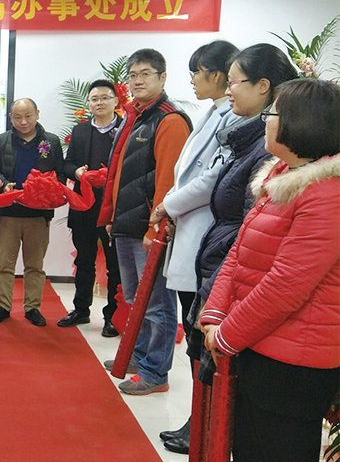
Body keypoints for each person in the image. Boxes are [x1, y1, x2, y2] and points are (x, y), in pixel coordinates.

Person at [159, 44, 298, 453]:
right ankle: (201, 426)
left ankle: (205, 429)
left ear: (264, 87)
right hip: (218, 259)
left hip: (231, 274)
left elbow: (249, 233)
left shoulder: (269, 155)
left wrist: (169, 204)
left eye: (235, 81)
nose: (229, 89)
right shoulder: (242, 133)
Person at [200, 78, 339, 462]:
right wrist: (215, 312)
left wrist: (227, 334)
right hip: (258, 345)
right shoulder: (283, 176)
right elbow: (239, 253)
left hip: (293, 364)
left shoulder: (326, 193)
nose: (265, 120)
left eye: (272, 113)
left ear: (302, 122)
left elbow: (286, 286)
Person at [145, 41, 241, 452]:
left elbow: (211, 179)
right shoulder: (214, 113)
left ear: (216, 75)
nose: (193, 81)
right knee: (194, 328)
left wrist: (168, 203)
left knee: (201, 333)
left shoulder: (232, 119)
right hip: (190, 226)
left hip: (205, 231)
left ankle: (203, 421)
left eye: (196, 73)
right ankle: (197, 417)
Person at [98, 48, 191, 395]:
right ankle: (138, 357)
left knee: (157, 304)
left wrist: (156, 228)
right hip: (127, 224)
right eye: (133, 75)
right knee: (136, 300)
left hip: (149, 229)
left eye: (145, 74)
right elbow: (119, 173)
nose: (137, 81)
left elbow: (168, 179)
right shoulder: (134, 115)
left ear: (162, 78)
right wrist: (112, 217)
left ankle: (155, 372)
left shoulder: (169, 120)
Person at [0, 98, 64, 327]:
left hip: (38, 215)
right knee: (4, 265)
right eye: (18, 117)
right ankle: (2, 306)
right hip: (8, 213)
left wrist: (49, 188)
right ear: (10, 117)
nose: (23, 122)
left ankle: (32, 308)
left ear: (37, 114)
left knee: (35, 266)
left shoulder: (51, 141)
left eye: (28, 116)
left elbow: (59, 173)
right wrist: (3, 183)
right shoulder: (1, 141)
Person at [59, 80, 123, 337]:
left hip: (113, 209)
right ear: (89, 103)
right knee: (84, 260)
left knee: (114, 266)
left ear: (116, 101)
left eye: (105, 98)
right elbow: (67, 164)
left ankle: (112, 317)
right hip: (84, 207)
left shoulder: (125, 129)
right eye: (95, 99)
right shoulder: (81, 131)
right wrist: (77, 172)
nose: (100, 103)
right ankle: (81, 309)